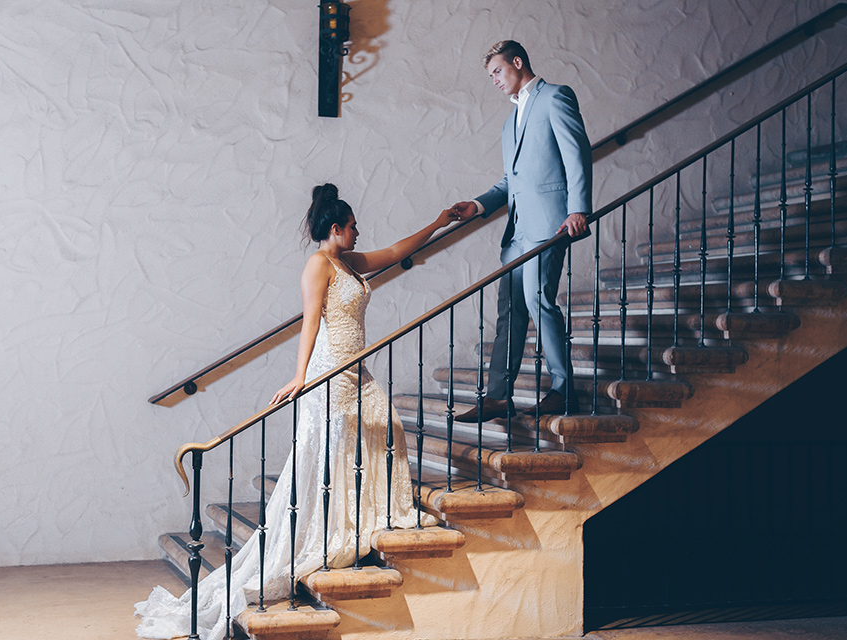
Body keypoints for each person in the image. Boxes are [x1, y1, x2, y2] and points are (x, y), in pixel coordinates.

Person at [135, 184, 456, 640]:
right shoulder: (317, 265)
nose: (359, 232)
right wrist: (300, 375)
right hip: (328, 368)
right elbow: (309, 322)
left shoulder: (350, 262)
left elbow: (394, 251)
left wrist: (440, 221)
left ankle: (369, 519)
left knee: (388, 430)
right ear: (335, 229)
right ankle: (329, 531)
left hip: (355, 367)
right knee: (332, 451)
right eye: (353, 226)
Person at [452, 40, 593, 423]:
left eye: (497, 71)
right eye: (491, 76)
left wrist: (578, 208)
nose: (494, 80)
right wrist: (478, 205)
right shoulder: (509, 121)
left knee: (539, 301)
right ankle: (498, 396)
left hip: (550, 225)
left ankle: (564, 391)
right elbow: (509, 182)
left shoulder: (555, 98)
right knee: (510, 310)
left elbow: (576, 153)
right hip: (517, 232)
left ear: (517, 62)